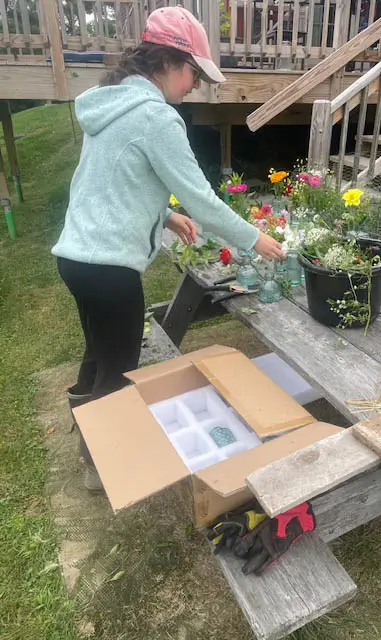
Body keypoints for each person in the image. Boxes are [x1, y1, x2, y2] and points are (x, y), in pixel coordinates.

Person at [52, 5, 283, 492]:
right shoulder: (156, 118)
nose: (194, 86)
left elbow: (113, 185)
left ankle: (83, 436)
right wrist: (254, 238)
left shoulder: (109, 105)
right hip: (110, 269)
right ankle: (102, 467)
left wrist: (164, 215)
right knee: (119, 367)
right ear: (169, 62)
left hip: (76, 258)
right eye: (193, 74)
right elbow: (202, 197)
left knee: (98, 351)